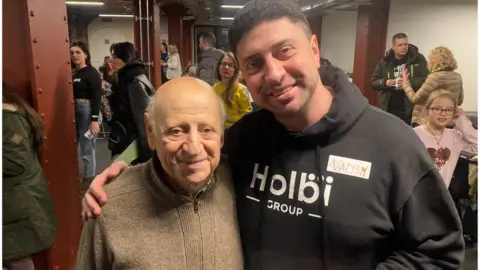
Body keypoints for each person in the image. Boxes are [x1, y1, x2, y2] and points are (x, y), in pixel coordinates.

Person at [82, 0, 464, 269]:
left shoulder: (392, 144)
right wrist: (127, 175)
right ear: (243, 75)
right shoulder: (244, 139)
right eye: (255, 63)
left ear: (314, 50)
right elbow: (189, 161)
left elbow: (439, 249)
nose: (275, 74)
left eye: (285, 51)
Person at [76, 77, 243, 269]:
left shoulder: (242, 183)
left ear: (221, 135)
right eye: (177, 131)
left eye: (207, 130)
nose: (194, 148)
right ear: (150, 131)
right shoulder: (108, 206)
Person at [3, 83, 58, 270]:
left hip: (15, 202)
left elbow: (14, 161)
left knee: (15, 257)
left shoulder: (8, 119)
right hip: (13, 201)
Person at [414, 90, 477, 187]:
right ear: (427, 110)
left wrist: (461, 120)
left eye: (448, 110)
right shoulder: (414, 135)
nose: (443, 113)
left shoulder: (455, 137)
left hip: (442, 196)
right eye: (437, 109)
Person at [108, 42, 155, 164]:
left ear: (125, 58)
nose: (111, 60)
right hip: (126, 138)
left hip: (131, 142)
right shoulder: (127, 77)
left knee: (121, 175)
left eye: (114, 57)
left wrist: (145, 151)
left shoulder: (132, 82)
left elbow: (142, 118)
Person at [371, 33, 429, 124]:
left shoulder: (418, 59)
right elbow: (374, 82)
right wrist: (385, 82)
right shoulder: (385, 62)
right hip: (389, 106)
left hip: (411, 106)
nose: (404, 47)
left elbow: (426, 80)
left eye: (405, 44)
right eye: (400, 45)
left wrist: (408, 83)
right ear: (393, 47)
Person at [402, 46, 463, 126]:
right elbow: (459, 100)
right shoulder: (457, 76)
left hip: (428, 122)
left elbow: (415, 99)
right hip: (448, 121)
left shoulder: (435, 77)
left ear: (434, 61)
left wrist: (406, 83)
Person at [70, 41, 102, 182]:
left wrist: (94, 120)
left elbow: (97, 96)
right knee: (72, 144)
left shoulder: (92, 73)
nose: (74, 55)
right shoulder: (73, 72)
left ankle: (89, 179)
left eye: (78, 52)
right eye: (72, 53)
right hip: (75, 112)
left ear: (85, 54)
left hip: (88, 114)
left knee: (87, 147)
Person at [213, 51, 252, 129]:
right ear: (219, 67)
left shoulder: (241, 89)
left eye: (230, 65)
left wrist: (230, 119)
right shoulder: (214, 88)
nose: (226, 67)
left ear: (235, 70)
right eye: (224, 64)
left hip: (237, 130)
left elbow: (248, 115)